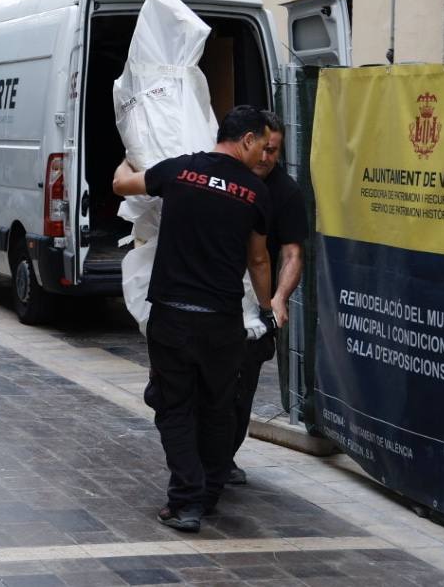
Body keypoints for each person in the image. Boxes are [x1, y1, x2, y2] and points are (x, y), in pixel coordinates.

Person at [112, 105, 283, 533]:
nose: (265, 156)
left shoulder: (179, 171)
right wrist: (265, 309)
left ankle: (186, 501)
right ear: (245, 140)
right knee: (216, 408)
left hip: (172, 317)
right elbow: (259, 260)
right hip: (222, 322)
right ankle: (207, 493)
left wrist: (131, 151)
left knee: (173, 407)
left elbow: (120, 184)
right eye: (263, 146)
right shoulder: (255, 192)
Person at [228, 112, 308, 486]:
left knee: (242, 389)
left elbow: (291, 254)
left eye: (272, 151)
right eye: (261, 148)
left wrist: (278, 298)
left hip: (256, 308)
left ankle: (223, 456)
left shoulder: (286, 193)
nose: (264, 157)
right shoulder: (225, 177)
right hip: (219, 298)